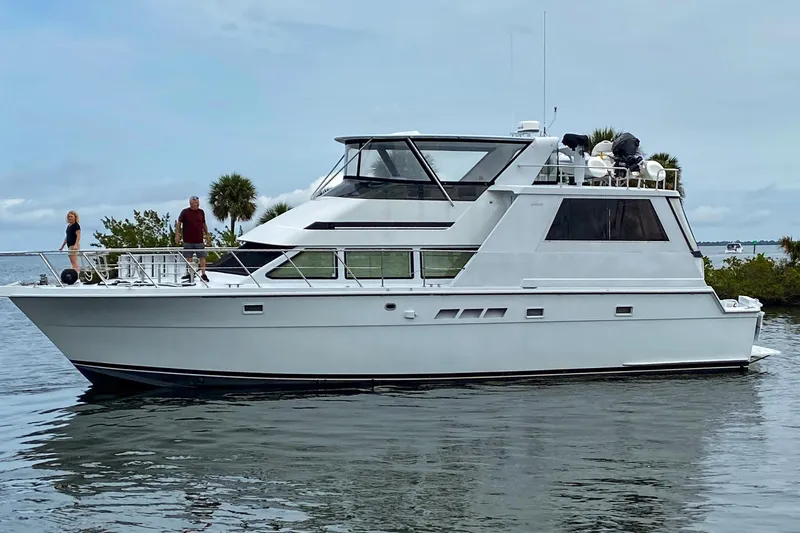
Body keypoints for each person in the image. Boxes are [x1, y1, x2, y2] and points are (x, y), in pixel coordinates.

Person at [175, 195, 211, 282]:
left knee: (202, 256)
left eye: (198, 203)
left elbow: (203, 224)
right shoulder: (185, 212)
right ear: (191, 203)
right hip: (188, 239)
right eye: (195, 203)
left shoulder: (201, 212)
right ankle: (190, 273)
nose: (197, 204)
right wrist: (177, 234)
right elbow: (179, 223)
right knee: (188, 257)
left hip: (199, 239)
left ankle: (203, 274)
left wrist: (207, 234)